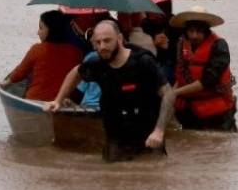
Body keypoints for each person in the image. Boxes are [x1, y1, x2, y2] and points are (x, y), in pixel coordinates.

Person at [45, 20, 175, 162]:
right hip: (116, 136)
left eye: (107, 41)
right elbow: (76, 72)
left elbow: (168, 93)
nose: (102, 47)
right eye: (98, 42)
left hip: (148, 134)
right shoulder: (97, 64)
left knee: (151, 175)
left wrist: (159, 130)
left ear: (119, 39)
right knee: (111, 177)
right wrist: (58, 100)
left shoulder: (143, 62)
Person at [170, 6, 237, 131]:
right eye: (191, 31)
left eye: (199, 31)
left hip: (217, 112)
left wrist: (174, 93)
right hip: (188, 110)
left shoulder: (219, 46)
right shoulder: (181, 44)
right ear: (186, 31)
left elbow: (208, 80)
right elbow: (180, 72)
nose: (194, 36)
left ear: (206, 31)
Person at [0, 10, 83, 101]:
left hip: (36, 99)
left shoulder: (37, 49)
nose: (38, 32)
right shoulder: (76, 52)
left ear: (51, 29)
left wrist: (7, 82)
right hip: (66, 101)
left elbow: (21, 72)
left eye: (41, 28)